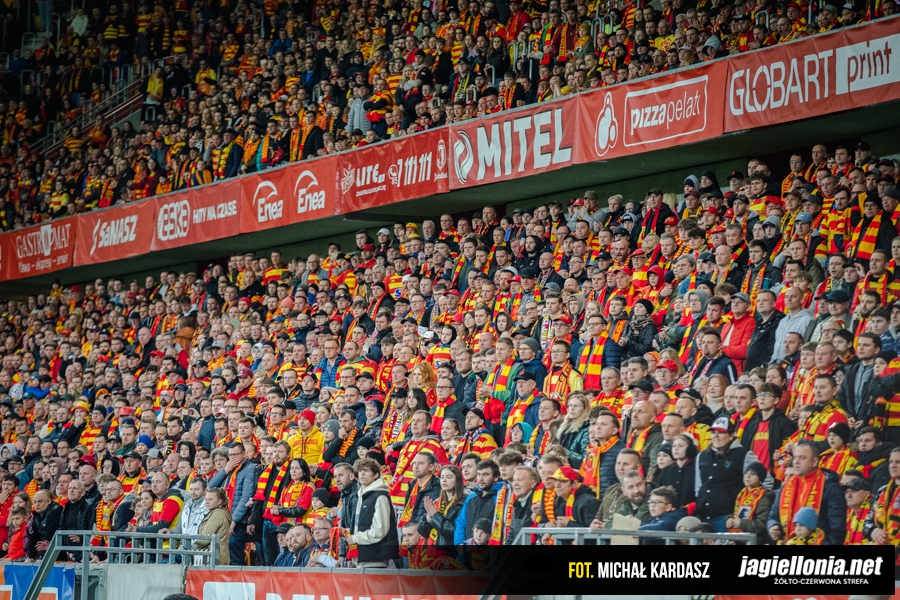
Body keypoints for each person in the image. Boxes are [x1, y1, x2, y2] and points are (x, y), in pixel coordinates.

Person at [767, 440, 847, 545]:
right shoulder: (786, 486)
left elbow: (837, 529)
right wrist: (773, 526)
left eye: (802, 458)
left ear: (815, 462)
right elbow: (773, 515)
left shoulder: (830, 487)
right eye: (795, 457)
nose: (796, 461)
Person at [695, 417, 758, 532]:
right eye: (713, 432)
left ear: (731, 435)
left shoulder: (744, 455)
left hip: (727, 518)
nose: (716, 436)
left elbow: (764, 481)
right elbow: (698, 486)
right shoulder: (702, 455)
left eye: (721, 432)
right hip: (703, 517)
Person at [346, 458, 399, 567]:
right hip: (361, 557)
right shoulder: (361, 495)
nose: (362, 474)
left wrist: (354, 538)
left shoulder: (380, 496)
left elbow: (379, 531)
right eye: (360, 471)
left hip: (376, 559)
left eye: (366, 470)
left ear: (376, 475)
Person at [193, 487, 232, 565]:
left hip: (215, 557)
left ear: (219, 501)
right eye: (206, 499)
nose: (207, 502)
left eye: (210, 499)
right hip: (214, 555)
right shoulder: (218, 512)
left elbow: (206, 537)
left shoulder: (218, 514)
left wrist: (191, 548)